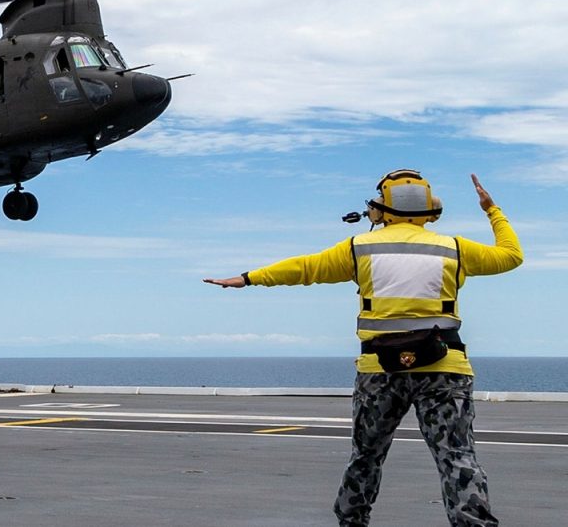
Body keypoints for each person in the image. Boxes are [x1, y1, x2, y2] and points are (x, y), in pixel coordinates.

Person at [204, 170, 522, 527]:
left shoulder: (360, 247)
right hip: (444, 369)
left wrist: (248, 278)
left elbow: (305, 268)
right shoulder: (455, 248)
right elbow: (511, 256)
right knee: (458, 457)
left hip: (379, 370)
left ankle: (352, 521)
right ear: (431, 209)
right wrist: (491, 209)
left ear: (379, 209)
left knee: (366, 457)